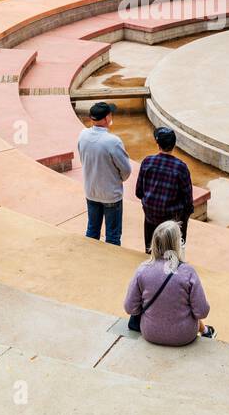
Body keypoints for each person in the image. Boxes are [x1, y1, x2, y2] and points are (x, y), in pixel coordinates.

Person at [123, 219, 214, 345]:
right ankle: (206, 332)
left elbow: (129, 307)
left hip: (150, 333)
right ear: (177, 244)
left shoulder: (142, 270)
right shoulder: (188, 272)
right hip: (184, 335)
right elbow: (202, 311)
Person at [76, 101, 131, 246]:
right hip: (110, 194)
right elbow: (126, 170)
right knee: (112, 236)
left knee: (92, 230)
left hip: (91, 191)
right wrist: (117, 179)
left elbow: (83, 159)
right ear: (107, 118)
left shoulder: (82, 135)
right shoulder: (113, 142)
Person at [135, 126, 194, 253]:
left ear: (158, 144)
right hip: (171, 221)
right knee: (173, 253)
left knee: (150, 251)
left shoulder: (147, 162)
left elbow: (139, 192)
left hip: (150, 216)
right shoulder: (181, 168)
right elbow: (188, 201)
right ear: (174, 145)